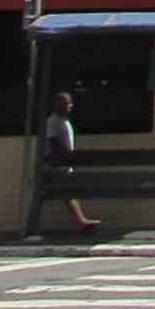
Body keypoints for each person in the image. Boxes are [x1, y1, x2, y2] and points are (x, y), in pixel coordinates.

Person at [42, 92, 100, 233]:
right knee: (69, 192)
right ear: (56, 105)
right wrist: (68, 155)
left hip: (66, 164)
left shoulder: (66, 122)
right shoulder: (53, 121)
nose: (67, 106)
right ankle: (82, 222)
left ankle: (82, 222)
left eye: (68, 103)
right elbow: (53, 141)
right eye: (63, 104)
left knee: (69, 193)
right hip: (57, 165)